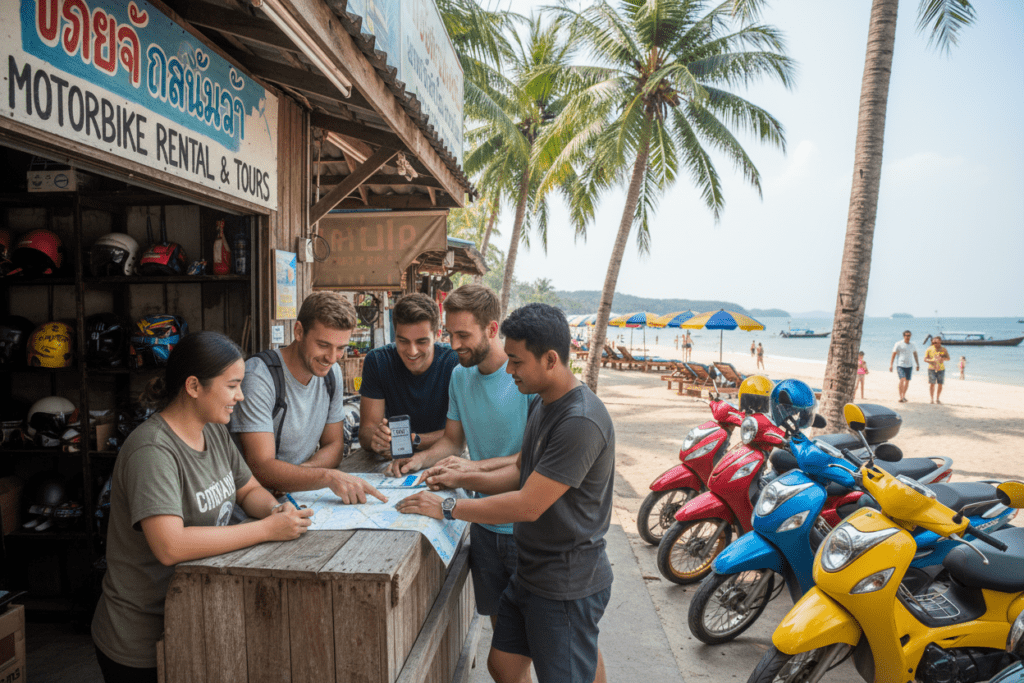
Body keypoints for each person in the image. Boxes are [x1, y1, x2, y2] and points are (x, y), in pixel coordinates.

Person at [396, 303, 615, 683]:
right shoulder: (547, 404)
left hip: (564, 577)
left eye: (516, 361)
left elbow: (528, 504)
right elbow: (518, 471)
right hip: (533, 569)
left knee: (567, 672)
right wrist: (460, 475)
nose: (509, 370)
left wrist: (448, 507)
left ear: (549, 360)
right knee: (503, 664)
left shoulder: (579, 420)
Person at [91, 332, 314, 683]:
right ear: (194, 386)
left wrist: (275, 511)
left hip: (195, 618)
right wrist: (266, 530)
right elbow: (170, 546)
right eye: (232, 386)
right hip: (141, 641)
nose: (240, 396)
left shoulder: (213, 430)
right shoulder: (152, 451)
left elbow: (248, 489)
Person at [386, 285, 534, 668]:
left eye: (463, 335)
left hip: (528, 530)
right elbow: (453, 440)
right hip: (483, 526)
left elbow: (535, 459)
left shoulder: (525, 379)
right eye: (449, 335)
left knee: (558, 644)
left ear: (491, 329)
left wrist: (468, 470)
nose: (453, 344)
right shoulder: (459, 376)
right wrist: (418, 461)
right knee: (507, 647)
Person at [230, 291, 384, 505]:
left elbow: (334, 446)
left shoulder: (332, 373)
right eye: (323, 345)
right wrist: (325, 476)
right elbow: (261, 467)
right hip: (255, 502)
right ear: (299, 331)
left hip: (298, 494)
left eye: (341, 348)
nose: (331, 358)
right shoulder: (259, 377)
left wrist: (302, 474)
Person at [359, 293, 459, 455]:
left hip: (444, 456)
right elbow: (366, 431)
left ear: (438, 334)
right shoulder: (378, 361)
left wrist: (411, 440)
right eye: (403, 341)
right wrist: (377, 440)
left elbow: (461, 433)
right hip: (391, 459)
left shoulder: (455, 363)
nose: (412, 351)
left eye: (421, 341)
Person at [889, 330, 919, 403]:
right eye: (906, 335)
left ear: (910, 336)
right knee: (902, 379)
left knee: (907, 382)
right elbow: (894, 354)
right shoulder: (898, 344)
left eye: (909, 335)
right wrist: (891, 365)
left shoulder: (912, 344)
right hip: (900, 365)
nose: (908, 337)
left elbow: (915, 354)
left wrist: (917, 364)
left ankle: (904, 395)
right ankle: (901, 397)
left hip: (909, 365)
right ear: (903, 336)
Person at [924, 335, 950, 404]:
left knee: (940, 384)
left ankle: (938, 398)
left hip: (941, 369)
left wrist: (943, 359)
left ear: (940, 342)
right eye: (934, 343)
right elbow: (925, 359)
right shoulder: (929, 349)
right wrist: (932, 361)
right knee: (932, 384)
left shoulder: (943, 349)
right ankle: (932, 399)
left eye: (937, 342)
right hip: (931, 368)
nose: (935, 344)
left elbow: (948, 358)